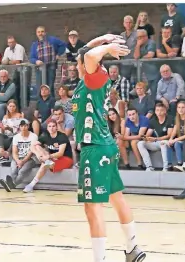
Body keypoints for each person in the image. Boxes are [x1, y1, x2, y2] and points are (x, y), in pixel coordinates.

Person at [71, 34, 146, 262]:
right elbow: (85, 52)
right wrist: (102, 39)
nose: (77, 64)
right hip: (104, 146)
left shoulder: (95, 78)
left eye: (81, 62)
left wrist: (108, 46)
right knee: (116, 198)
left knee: (92, 209)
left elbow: (91, 55)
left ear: (90, 65)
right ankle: (133, 247)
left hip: (94, 148)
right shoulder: (89, 77)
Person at [23, 120, 73, 193]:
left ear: (56, 127)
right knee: (37, 146)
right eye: (49, 126)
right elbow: (32, 146)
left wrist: (48, 157)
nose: (51, 128)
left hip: (65, 159)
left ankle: (31, 185)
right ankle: (31, 185)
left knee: (45, 163)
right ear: (47, 128)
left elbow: (60, 153)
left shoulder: (62, 136)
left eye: (53, 126)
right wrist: (38, 155)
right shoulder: (46, 136)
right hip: (52, 158)